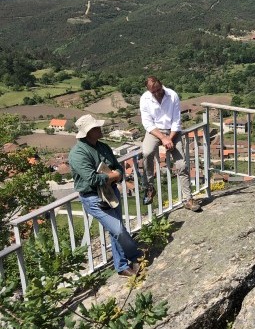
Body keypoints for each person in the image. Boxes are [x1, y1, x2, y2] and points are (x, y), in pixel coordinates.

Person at [69, 115, 141, 277]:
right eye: (96, 128)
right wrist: (115, 176)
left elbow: (117, 167)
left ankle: (121, 266)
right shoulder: (77, 154)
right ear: (88, 132)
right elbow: (92, 179)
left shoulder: (103, 147)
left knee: (116, 230)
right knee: (118, 230)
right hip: (93, 197)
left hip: (111, 192)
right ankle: (135, 256)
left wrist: (118, 174)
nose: (100, 129)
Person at [139, 76, 201, 212]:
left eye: (158, 90)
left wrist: (169, 138)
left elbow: (176, 121)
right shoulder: (144, 99)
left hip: (173, 131)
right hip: (154, 131)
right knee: (147, 152)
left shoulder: (172, 95)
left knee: (182, 164)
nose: (157, 93)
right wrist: (162, 138)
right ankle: (149, 187)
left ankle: (188, 199)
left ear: (162, 85)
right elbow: (148, 124)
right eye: (153, 92)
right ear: (148, 90)